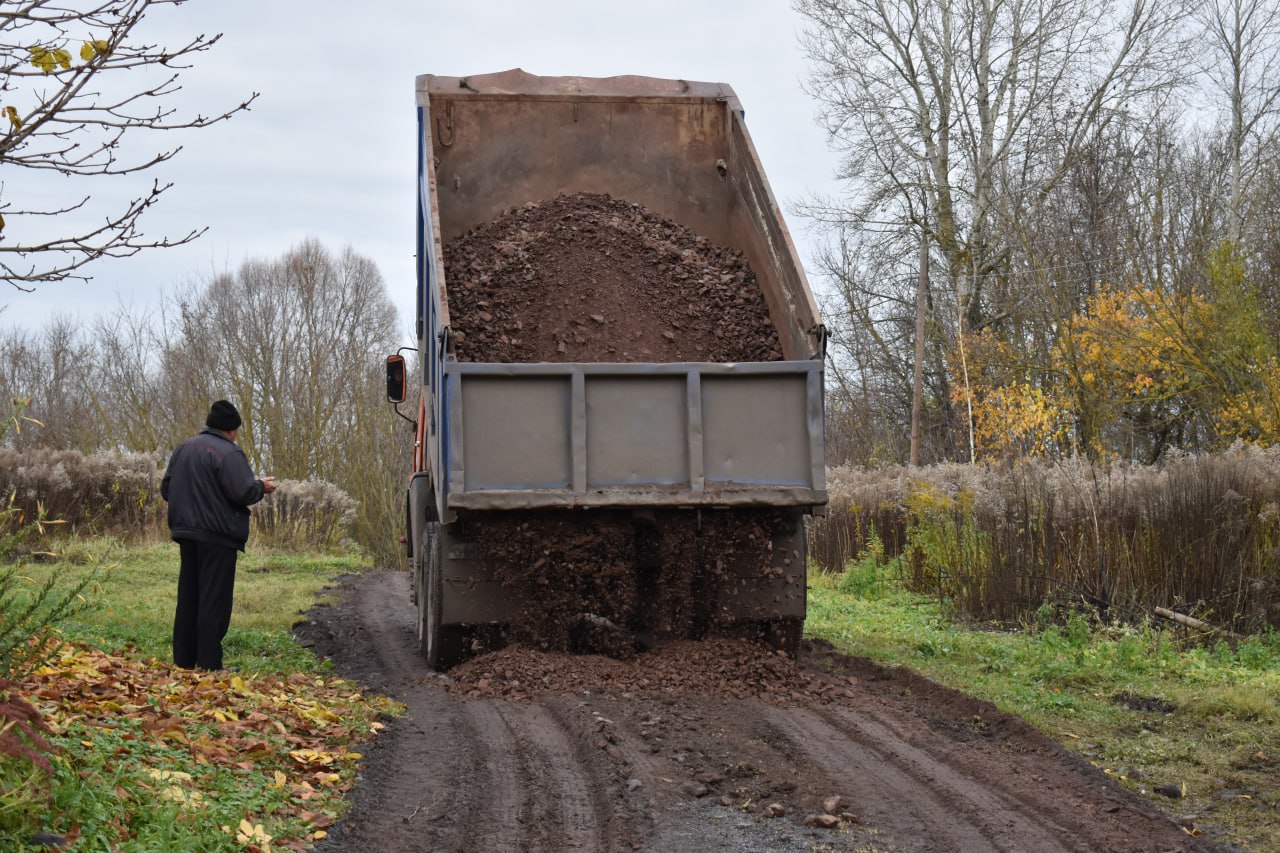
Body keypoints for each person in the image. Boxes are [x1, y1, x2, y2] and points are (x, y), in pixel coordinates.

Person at [160, 400, 277, 670]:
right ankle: (210, 664)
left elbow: (167, 489)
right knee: (214, 600)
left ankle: (184, 661)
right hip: (217, 536)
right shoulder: (229, 453)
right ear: (232, 429)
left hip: (186, 533)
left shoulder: (183, 449)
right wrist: (261, 486)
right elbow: (243, 492)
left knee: (189, 597)